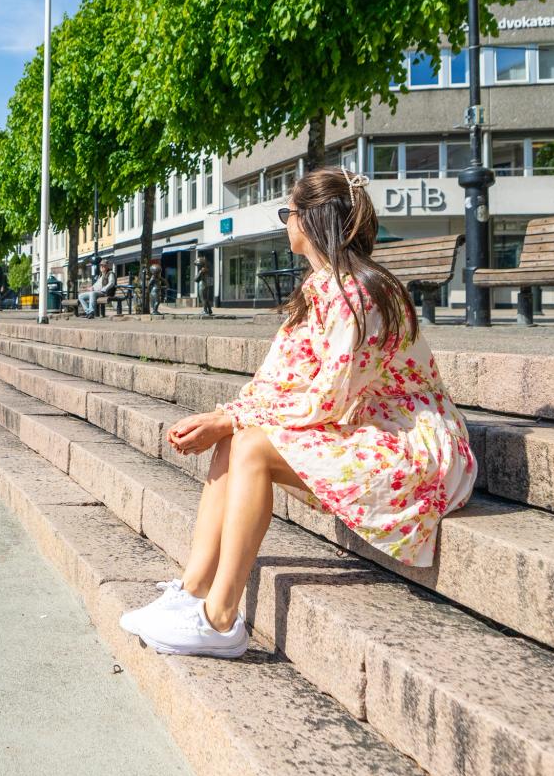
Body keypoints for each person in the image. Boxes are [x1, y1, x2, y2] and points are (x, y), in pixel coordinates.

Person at [120, 168, 478, 658]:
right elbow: (278, 382)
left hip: (413, 446)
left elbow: (327, 398)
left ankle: (220, 620)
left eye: (288, 213)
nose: (285, 222)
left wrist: (233, 420)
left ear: (310, 222)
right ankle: (193, 591)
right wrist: (226, 415)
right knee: (236, 435)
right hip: (366, 428)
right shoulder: (322, 289)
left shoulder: (362, 295)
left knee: (248, 442)